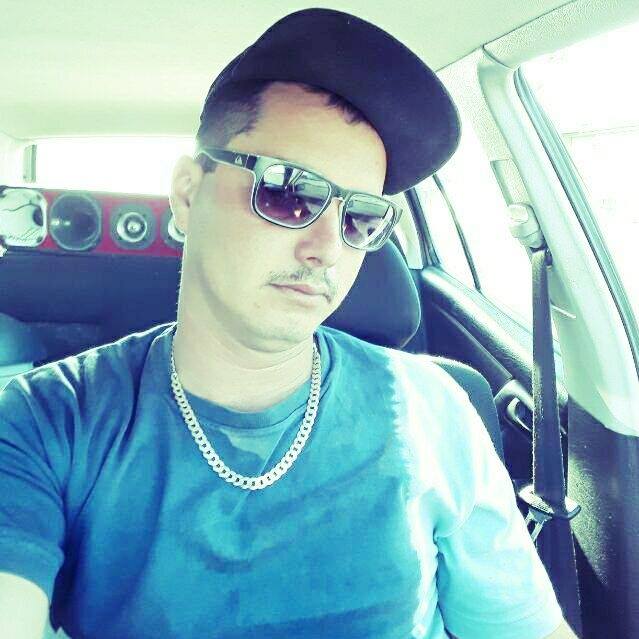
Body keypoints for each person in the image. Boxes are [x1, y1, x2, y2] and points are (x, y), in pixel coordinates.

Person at [0, 8, 577, 639]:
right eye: (288, 192)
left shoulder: (430, 409)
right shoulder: (44, 420)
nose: (326, 248)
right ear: (188, 193)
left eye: (360, 217)